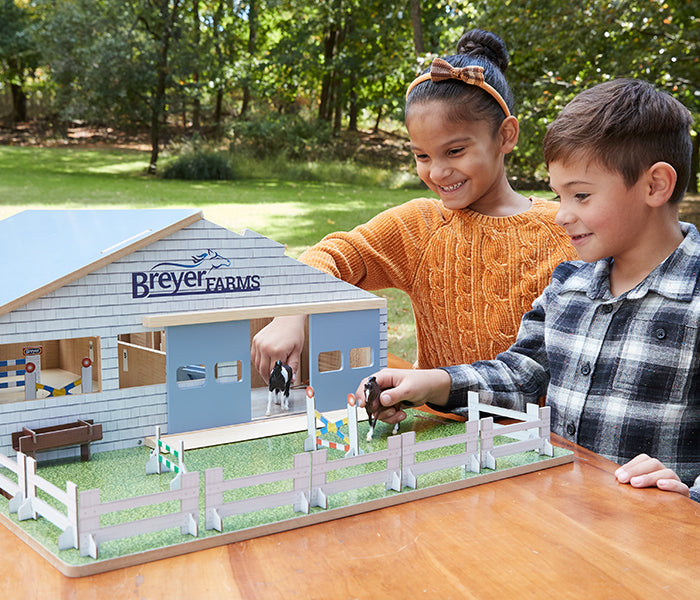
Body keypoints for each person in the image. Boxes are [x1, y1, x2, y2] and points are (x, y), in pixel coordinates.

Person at [356, 78, 699, 501]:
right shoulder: (568, 284)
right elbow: (520, 376)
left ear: (655, 185)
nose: (561, 215)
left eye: (581, 196)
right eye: (559, 195)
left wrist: (687, 491)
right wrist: (431, 383)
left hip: (654, 547)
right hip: (555, 519)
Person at [251, 29, 576, 382]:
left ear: (506, 135)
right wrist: (292, 315)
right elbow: (330, 253)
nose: (437, 171)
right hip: (436, 425)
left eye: (455, 151)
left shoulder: (565, 228)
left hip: (537, 431)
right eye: (422, 155)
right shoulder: (419, 225)